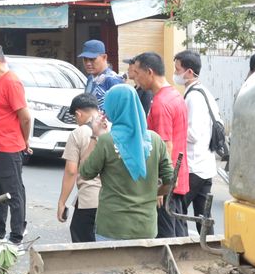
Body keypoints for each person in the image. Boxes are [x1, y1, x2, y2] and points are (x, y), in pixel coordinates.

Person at [79, 85, 176, 241]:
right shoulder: (155, 140)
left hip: (112, 227)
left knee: (111, 266)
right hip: (146, 226)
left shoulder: (106, 141)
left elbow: (85, 172)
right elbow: (171, 181)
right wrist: (153, 193)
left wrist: (94, 136)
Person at [0, 44, 32, 244]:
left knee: (13, 191)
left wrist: (24, 140)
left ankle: (17, 234)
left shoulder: (11, 82)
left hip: (9, 146)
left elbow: (25, 117)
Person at [135, 51, 188, 238]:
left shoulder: (160, 103)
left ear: (149, 72)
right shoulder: (175, 95)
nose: (136, 79)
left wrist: (160, 186)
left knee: (165, 240)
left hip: (167, 182)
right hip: (178, 178)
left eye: (138, 74)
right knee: (179, 234)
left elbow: (166, 146)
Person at [174, 49, 221, 236]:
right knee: (204, 216)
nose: (176, 74)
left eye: (178, 70)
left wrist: (173, 129)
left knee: (177, 210)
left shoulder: (193, 97)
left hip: (194, 166)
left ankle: (183, 248)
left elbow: (193, 134)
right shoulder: (204, 93)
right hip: (206, 165)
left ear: (189, 72)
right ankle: (207, 252)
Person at [56, 93, 102, 242]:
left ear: (78, 113)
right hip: (112, 199)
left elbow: (71, 171)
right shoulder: (113, 128)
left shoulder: (78, 133)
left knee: (82, 239)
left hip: (90, 198)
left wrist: (62, 202)